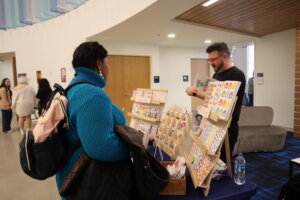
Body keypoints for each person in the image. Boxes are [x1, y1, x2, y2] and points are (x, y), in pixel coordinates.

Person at [56, 41, 132, 200]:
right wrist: (133, 147)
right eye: (107, 62)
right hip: (88, 182)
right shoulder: (92, 94)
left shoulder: (74, 87)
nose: (108, 67)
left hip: (73, 176)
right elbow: (101, 147)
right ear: (99, 63)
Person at [186, 42, 245, 162]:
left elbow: (220, 98)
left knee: (222, 164)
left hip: (226, 127)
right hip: (211, 123)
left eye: (213, 59)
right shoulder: (217, 74)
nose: (211, 63)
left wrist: (195, 92)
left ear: (224, 56)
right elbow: (211, 95)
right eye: (209, 60)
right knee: (208, 161)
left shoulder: (237, 75)